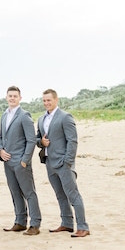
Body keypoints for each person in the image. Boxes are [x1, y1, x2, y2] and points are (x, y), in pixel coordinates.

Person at [36, 89, 90, 238]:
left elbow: (72, 141)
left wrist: (68, 161)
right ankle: (67, 223)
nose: (46, 103)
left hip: (63, 163)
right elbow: (37, 139)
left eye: (49, 100)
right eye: (44, 100)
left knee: (73, 195)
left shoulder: (65, 117)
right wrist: (41, 142)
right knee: (60, 195)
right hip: (49, 163)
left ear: (56, 100)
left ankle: (83, 227)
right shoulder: (41, 119)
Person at [0, 86, 42, 235]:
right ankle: (20, 222)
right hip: (7, 162)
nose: (12, 98)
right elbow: (1, 137)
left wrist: (24, 160)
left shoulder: (24, 115)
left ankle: (35, 224)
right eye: (10, 96)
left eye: (15, 96)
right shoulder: (4, 115)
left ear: (20, 98)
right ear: (6, 97)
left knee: (29, 193)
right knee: (14, 192)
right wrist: (0, 150)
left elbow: (31, 140)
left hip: (21, 162)